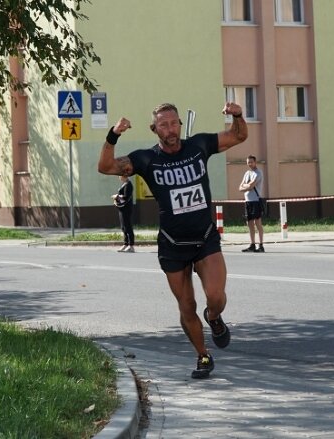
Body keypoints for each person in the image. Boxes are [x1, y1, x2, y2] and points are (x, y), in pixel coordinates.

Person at [97, 102, 248, 379]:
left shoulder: (199, 146)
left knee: (215, 297)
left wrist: (237, 114)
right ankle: (203, 355)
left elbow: (238, 136)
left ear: (180, 123)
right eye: (163, 125)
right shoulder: (146, 159)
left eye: (174, 123)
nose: (170, 129)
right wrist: (113, 135)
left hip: (204, 238)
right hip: (172, 244)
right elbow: (105, 166)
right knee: (186, 305)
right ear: (155, 130)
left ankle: (213, 318)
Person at [238, 155, 265, 253]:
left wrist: (246, 186)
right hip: (248, 201)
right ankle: (252, 244)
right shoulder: (247, 173)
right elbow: (240, 187)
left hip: (256, 201)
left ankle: (261, 245)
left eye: (251, 162)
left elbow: (251, 186)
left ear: (255, 162)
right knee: (249, 223)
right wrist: (246, 186)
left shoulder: (258, 173)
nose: (249, 164)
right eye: (248, 162)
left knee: (258, 223)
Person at [112, 175, 135, 252]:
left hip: (127, 209)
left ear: (124, 176)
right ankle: (125, 244)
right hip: (122, 208)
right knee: (123, 227)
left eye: (120, 175)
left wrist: (117, 196)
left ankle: (131, 246)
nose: (119, 177)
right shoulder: (124, 184)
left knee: (128, 226)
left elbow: (126, 197)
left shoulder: (129, 185)